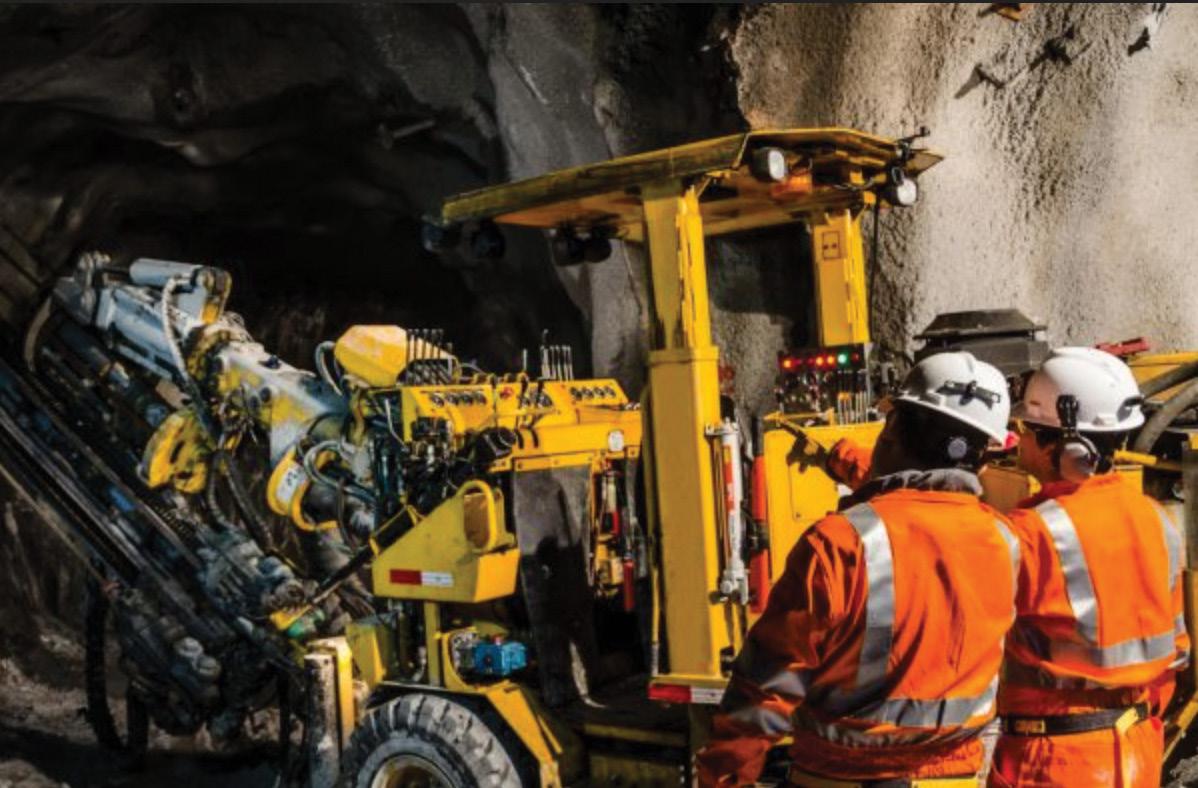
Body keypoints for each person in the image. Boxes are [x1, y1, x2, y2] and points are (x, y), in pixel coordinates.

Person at [697, 352, 1020, 787]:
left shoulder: (839, 544)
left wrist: (724, 777)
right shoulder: (1006, 540)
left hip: (841, 776)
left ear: (893, 430)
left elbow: (768, 682)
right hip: (957, 777)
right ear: (983, 459)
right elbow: (924, 496)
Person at [989, 347, 1189, 788]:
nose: (1020, 439)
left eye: (1027, 429)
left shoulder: (1031, 533)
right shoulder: (1156, 519)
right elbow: (1176, 653)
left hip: (1055, 761)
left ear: (1064, 446)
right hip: (1137, 751)